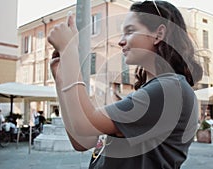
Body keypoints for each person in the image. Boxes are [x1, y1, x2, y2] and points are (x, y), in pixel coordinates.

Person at [48, 1, 203, 168]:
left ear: (158, 34)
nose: (121, 41)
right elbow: (82, 141)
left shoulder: (170, 89)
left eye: (130, 31)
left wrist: (70, 50)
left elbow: (84, 124)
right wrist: (61, 80)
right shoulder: (157, 90)